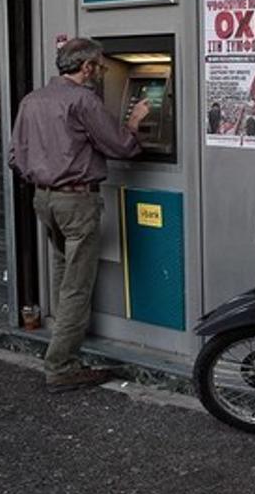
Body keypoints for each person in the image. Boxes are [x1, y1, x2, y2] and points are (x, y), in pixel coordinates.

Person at [9, 38, 150, 393]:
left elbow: (15, 157)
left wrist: (45, 172)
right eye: (99, 66)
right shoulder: (83, 100)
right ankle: (62, 366)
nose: (100, 72)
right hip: (77, 202)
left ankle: (62, 346)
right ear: (86, 67)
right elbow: (120, 146)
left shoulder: (32, 99)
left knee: (61, 274)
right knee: (76, 285)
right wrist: (133, 122)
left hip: (44, 200)